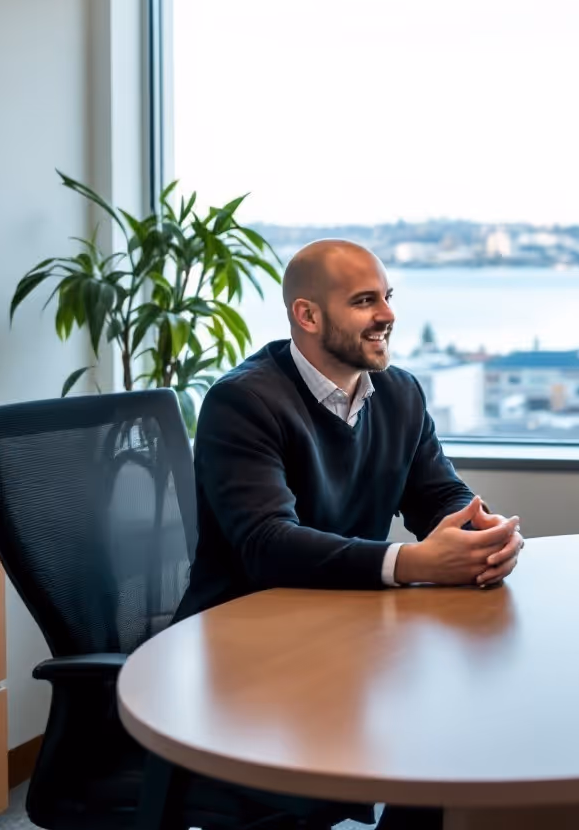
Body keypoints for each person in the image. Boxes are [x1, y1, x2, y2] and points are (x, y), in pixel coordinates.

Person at [174, 239, 521, 830]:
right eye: (365, 301)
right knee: (438, 728)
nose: (386, 314)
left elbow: (438, 494)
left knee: (470, 729)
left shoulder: (399, 394)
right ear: (307, 316)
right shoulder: (244, 402)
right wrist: (411, 563)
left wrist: (481, 531)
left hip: (346, 633)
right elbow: (266, 544)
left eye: (387, 297)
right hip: (249, 654)